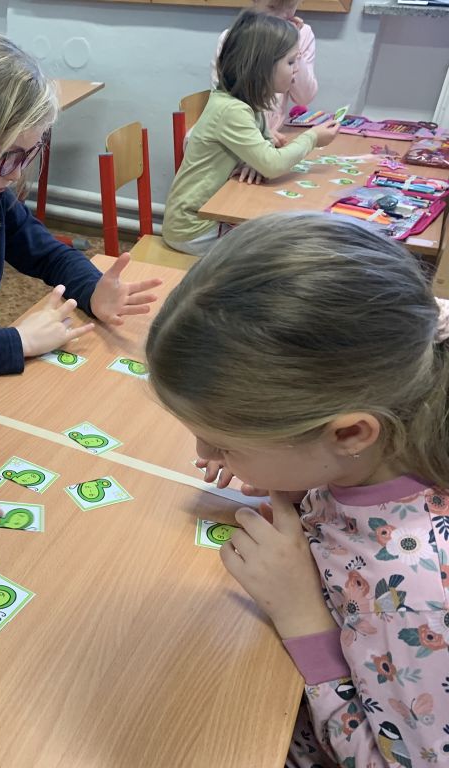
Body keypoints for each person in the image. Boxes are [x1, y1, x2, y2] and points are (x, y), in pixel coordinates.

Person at [145, 211, 449, 767]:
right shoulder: (374, 444)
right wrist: (278, 469)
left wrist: (302, 617)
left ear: (349, 433)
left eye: (223, 443)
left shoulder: (419, 596)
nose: (204, 455)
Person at [0, 31, 161, 411]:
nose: (17, 174)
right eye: (9, 156)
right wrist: (19, 340)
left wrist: (92, 290)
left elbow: (49, 255)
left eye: (29, 154)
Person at [162, 10, 339, 256]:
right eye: (290, 62)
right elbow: (272, 164)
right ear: (262, 67)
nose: (296, 70)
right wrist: (312, 138)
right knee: (279, 252)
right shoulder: (232, 110)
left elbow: (265, 150)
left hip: (209, 218)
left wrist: (255, 160)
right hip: (194, 228)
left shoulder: (247, 103)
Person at [211, 0, 318, 144]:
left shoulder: (302, 33)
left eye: (290, 7)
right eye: (272, 7)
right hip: (242, 134)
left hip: (273, 136)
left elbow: (304, 97)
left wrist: (293, 46)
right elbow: (225, 99)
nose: (282, 16)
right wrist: (261, 131)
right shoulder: (234, 38)